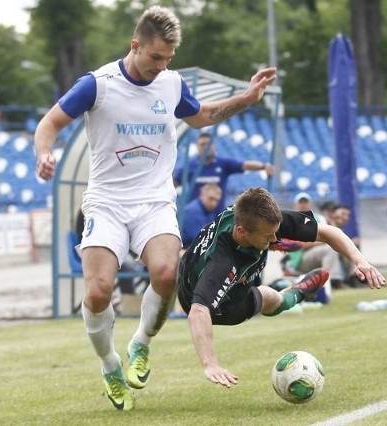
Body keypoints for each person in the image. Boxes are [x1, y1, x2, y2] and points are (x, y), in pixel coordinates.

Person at [34, 5, 277, 410]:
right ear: (135, 45)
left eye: (167, 59)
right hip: (107, 202)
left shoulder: (170, 83)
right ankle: (110, 364)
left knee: (167, 274)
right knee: (97, 291)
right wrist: (44, 153)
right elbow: (49, 124)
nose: (160, 67)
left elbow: (202, 117)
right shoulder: (98, 84)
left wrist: (248, 98)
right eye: (155, 58)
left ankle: (141, 343)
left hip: (154, 200)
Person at [177, 187, 385, 389]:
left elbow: (330, 232)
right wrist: (210, 364)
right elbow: (198, 311)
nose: (274, 237)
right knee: (269, 297)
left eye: (276, 234)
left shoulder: (256, 215)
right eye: (268, 236)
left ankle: (295, 287)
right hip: (216, 302)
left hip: (204, 263)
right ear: (242, 232)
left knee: (268, 279)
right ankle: (295, 293)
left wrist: (360, 261)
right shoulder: (221, 264)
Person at [174, 131, 275, 211]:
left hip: (217, 214)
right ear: (197, 147)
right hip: (196, 214)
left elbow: (244, 165)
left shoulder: (222, 163)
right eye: (202, 144)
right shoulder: (190, 166)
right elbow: (175, 183)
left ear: (214, 146)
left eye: (208, 144)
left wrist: (263, 166)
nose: (205, 147)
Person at [180, 183, 222, 248]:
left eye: (217, 200)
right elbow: (200, 240)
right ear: (201, 195)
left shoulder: (209, 211)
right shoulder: (193, 211)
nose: (214, 203)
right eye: (211, 198)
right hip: (185, 248)